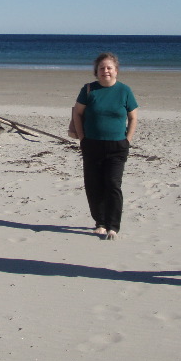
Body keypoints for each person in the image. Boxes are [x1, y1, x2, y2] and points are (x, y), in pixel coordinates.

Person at [72, 52, 138, 240]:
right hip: (92, 144)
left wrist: (128, 140)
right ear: (96, 72)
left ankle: (113, 226)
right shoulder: (88, 90)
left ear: (116, 71)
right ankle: (100, 222)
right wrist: (83, 139)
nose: (105, 71)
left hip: (117, 146)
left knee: (112, 184)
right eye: (102, 68)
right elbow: (77, 114)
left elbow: (133, 117)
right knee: (93, 185)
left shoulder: (124, 91)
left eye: (109, 68)